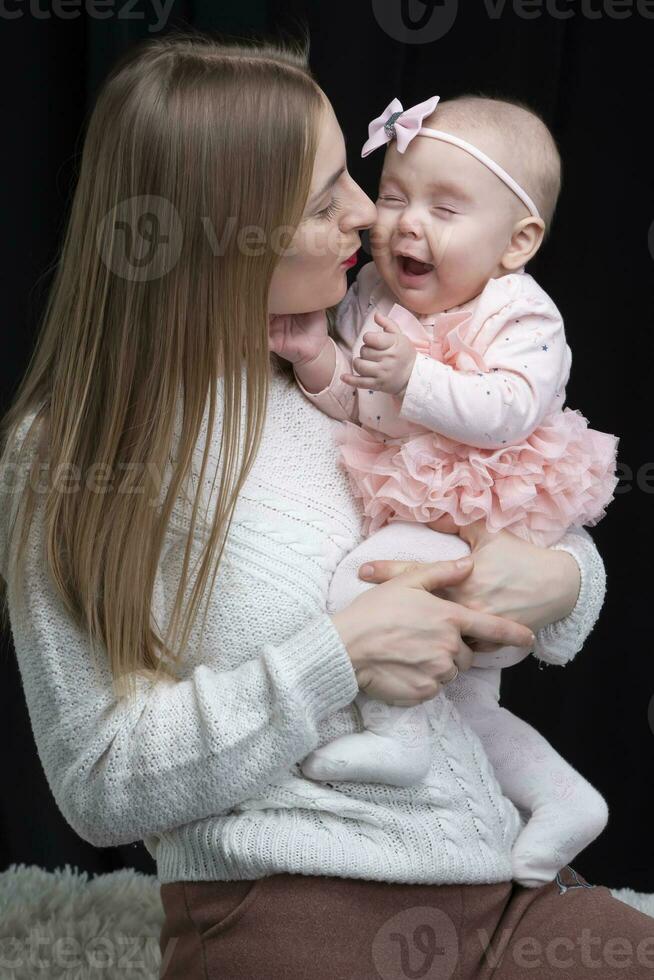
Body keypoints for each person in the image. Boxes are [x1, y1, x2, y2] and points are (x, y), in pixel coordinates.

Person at [0, 32, 651, 980]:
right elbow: (100, 780)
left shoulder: (348, 376)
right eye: (324, 198)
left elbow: (505, 486)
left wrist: (561, 578)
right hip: (296, 908)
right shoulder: (70, 455)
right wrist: (337, 657)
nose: (367, 215)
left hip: (505, 883)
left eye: (353, 176)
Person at [271, 93, 620, 890]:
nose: (402, 224)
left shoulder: (521, 314)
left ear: (516, 242)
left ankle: (398, 740)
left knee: (363, 579)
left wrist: (417, 375)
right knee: (470, 709)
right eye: (393, 196)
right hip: (422, 500)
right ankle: (563, 797)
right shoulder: (370, 303)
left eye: (444, 207)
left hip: (483, 507)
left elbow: (507, 411)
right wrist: (314, 358)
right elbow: (362, 409)